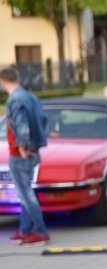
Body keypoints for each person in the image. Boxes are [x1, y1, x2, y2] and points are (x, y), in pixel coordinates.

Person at [0, 66, 50, 246]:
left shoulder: (15, 99)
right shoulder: (31, 97)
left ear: (3, 81)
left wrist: (22, 146)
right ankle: (26, 230)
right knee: (25, 193)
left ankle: (39, 231)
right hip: (34, 151)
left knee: (25, 194)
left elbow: (21, 125)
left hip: (20, 154)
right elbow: (43, 120)